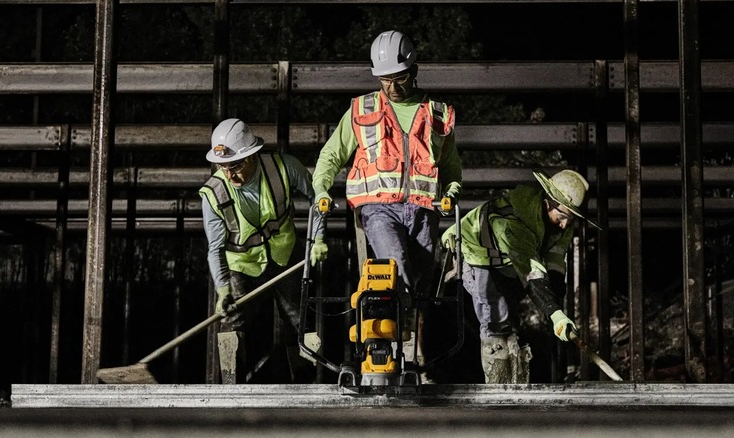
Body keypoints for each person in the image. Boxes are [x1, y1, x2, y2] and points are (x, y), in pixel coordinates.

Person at [311, 31, 462, 346]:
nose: (392, 87)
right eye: (385, 80)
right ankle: (383, 342)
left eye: (399, 78)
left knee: (417, 285)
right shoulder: (361, 109)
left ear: (414, 70)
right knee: (393, 268)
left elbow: (451, 168)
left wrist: (451, 192)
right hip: (377, 208)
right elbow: (330, 156)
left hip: (424, 210)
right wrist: (322, 189)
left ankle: (399, 343)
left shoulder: (437, 113)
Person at [441, 169, 600, 384]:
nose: (565, 225)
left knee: (510, 326)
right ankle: (498, 391)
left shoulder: (563, 224)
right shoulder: (514, 223)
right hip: (474, 254)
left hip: (506, 261)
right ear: (547, 203)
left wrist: (556, 308)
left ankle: (513, 386)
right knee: (497, 320)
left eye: (570, 219)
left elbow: (554, 261)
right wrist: (554, 314)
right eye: (562, 217)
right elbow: (531, 273)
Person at [199, 118, 319, 384]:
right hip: (242, 266)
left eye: (236, 165)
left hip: (287, 256)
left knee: (301, 321)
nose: (230, 174)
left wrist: (317, 239)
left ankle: (307, 384)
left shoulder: (284, 168)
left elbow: (318, 198)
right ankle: (231, 386)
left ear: (252, 155)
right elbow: (215, 248)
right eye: (222, 167)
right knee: (231, 322)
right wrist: (223, 290)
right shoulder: (213, 193)